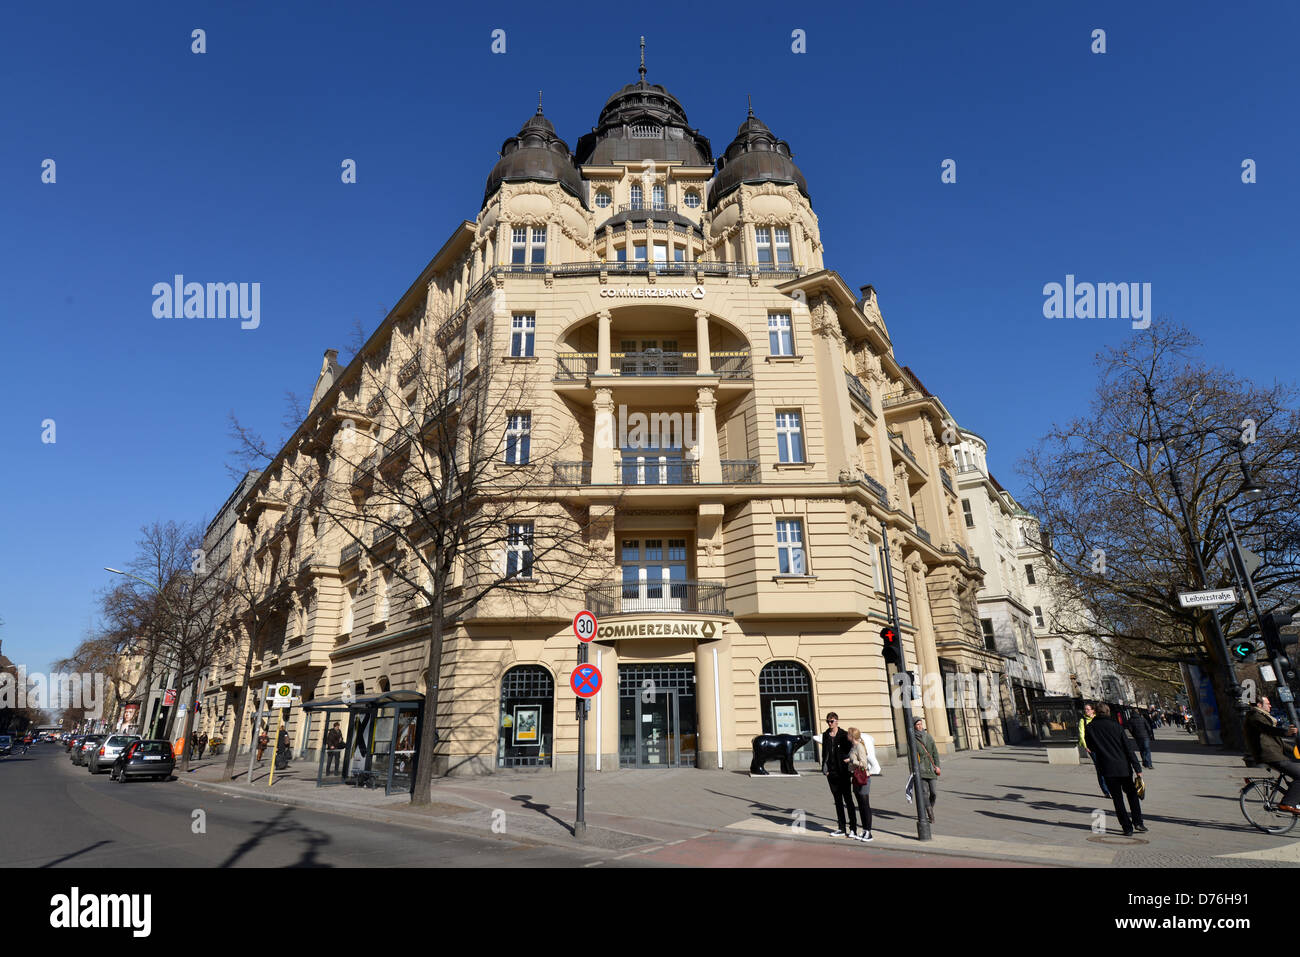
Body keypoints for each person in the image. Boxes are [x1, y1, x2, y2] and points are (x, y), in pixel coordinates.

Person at [1084, 703, 1146, 835]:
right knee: (1132, 795)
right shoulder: (1116, 726)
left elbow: (1091, 747)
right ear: (1108, 712)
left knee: (1117, 799)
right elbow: (1128, 748)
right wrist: (1137, 767)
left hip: (1107, 768)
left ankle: (1127, 827)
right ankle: (1138, 822)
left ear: (1095, 712)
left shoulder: (1090, 728)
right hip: (1123, 767)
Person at [1244, 696, 1300, 814]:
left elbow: (1277, 741)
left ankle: (1294, 799)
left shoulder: (1262, 717)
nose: (1270, 706)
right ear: (1259, 705)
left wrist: (1296, 750)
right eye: (1267, 703)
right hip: (1270, 755)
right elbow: (1267, 729)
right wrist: (1286, 732)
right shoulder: (1255, 717)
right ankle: (1287, 803)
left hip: (1275, 753)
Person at [820, 713, 858, 838]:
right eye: (828, 721)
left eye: (831, 721)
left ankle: (853, 828)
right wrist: (825, 769)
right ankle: (841, 828)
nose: (830, 724)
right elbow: (824, 753)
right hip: (832, 773)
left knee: (848, 800)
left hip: (844, 773)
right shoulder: (825, 735)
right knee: (837, 801)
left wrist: (850, 761)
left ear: (837, 721)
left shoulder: (843, 735)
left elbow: (852, 748)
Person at [845, 727, 881, 842]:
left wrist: (851, 761)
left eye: (848, 734)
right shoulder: (853, 746)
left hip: (863, 778)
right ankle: (865, 830)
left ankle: (869, 832)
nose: (847, 736)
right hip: (855, 777)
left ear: (851, 736)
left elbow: (864, 764)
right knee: (860, 806)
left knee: (865, 805)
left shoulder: (859, 746)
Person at [1078, 703, 1111, 798]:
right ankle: (1106, 791)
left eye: (1088, 709)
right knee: (1100, 768)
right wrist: (1086, 746)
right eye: (1085, 709)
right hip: (1092, 748)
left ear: (1093, 710)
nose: (1086, 711)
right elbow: (1081, 734)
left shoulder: (1098, 718)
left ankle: (1111, 786)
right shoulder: (1083, 720)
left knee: (1107, 766)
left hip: (1103, 746)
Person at [912, 717, 941, 823]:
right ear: (914, 726)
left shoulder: (928, 737)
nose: (920, 726)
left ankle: (929, 807)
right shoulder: (913, 739)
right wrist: (913, 771)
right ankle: (930, 814)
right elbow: (911, 757)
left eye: (920, 724)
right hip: (921, 770)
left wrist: (937, 765)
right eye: (917, 724)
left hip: (931, 768)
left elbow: (935, 753)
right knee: (924, 793)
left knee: (934, 793)